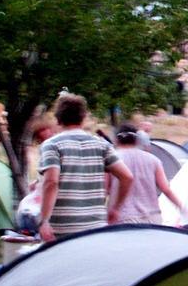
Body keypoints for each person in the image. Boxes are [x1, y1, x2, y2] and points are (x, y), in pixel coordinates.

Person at [37, 93, 134, 242]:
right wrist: (115, 208)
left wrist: (44, 220)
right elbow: (127, 177)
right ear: (83, 118)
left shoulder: (52, 145)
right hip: (95, 226)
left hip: (61, 228)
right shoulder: (101, 144)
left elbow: (51, 182)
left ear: (58, 118)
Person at [107, 123, 185, 224]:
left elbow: (104, 189)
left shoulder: (111, 160)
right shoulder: (153, 160)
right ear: (137, 140)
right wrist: (183, 209)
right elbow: (166, 189)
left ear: (116, 140)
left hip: (122, 218)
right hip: (152, 218)